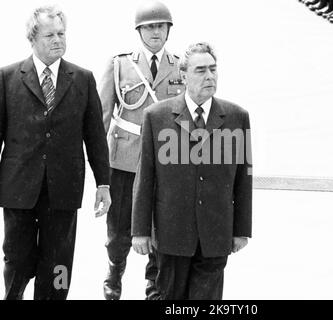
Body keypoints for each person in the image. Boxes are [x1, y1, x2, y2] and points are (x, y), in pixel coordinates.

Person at [0, 5, 111, 300]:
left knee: (59, 263)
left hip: (63, 188)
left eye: (61, 33)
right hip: (18, 188)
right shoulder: (7, 77)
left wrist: (104, 183)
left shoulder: (83, 79)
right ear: (32, 39)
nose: (57, 40)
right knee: (17, 259)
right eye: (49, 34)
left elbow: (95, 137)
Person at [131, 42, 252, 300]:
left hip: (215, 233)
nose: (209, 76)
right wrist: (140, 230)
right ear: (183, 76)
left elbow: (243, 178)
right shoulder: (156, 116)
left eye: (213, 69)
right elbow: (145, 177)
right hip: (171, 233)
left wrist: (241, 229)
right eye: (200, 70)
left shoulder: (236, 117)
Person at [99, 0, 184, 300]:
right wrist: (98, 168)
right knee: (120, 229)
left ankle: (155, 288)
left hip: (165, 163)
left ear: (168, 29)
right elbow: (103, 116)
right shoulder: (120, 64)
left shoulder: (180, 67)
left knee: (160, 230)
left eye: (160, 26)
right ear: (139, 31)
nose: (155, 33)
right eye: (149, 27)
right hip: (125, 161)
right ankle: (114, 271)